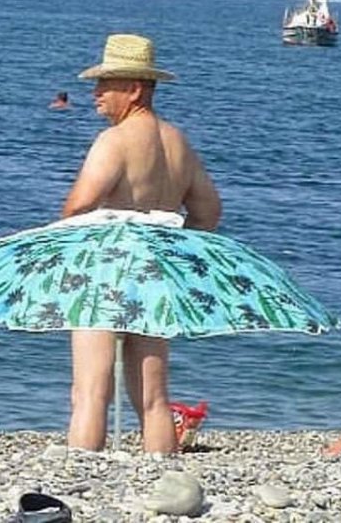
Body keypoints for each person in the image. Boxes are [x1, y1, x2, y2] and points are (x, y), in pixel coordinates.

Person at [62, 33, 222, 453]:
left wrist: (67, 245)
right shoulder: (178, 144)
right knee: (153, 400)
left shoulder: (114, 141)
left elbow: (79, 205)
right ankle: (162, 478)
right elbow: (208, 213)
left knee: (90, 394)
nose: (95, 93)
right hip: (156, 272)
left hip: (106, 270)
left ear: (134, 89)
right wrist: (177, 251)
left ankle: (82, 475)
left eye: (105, 84)